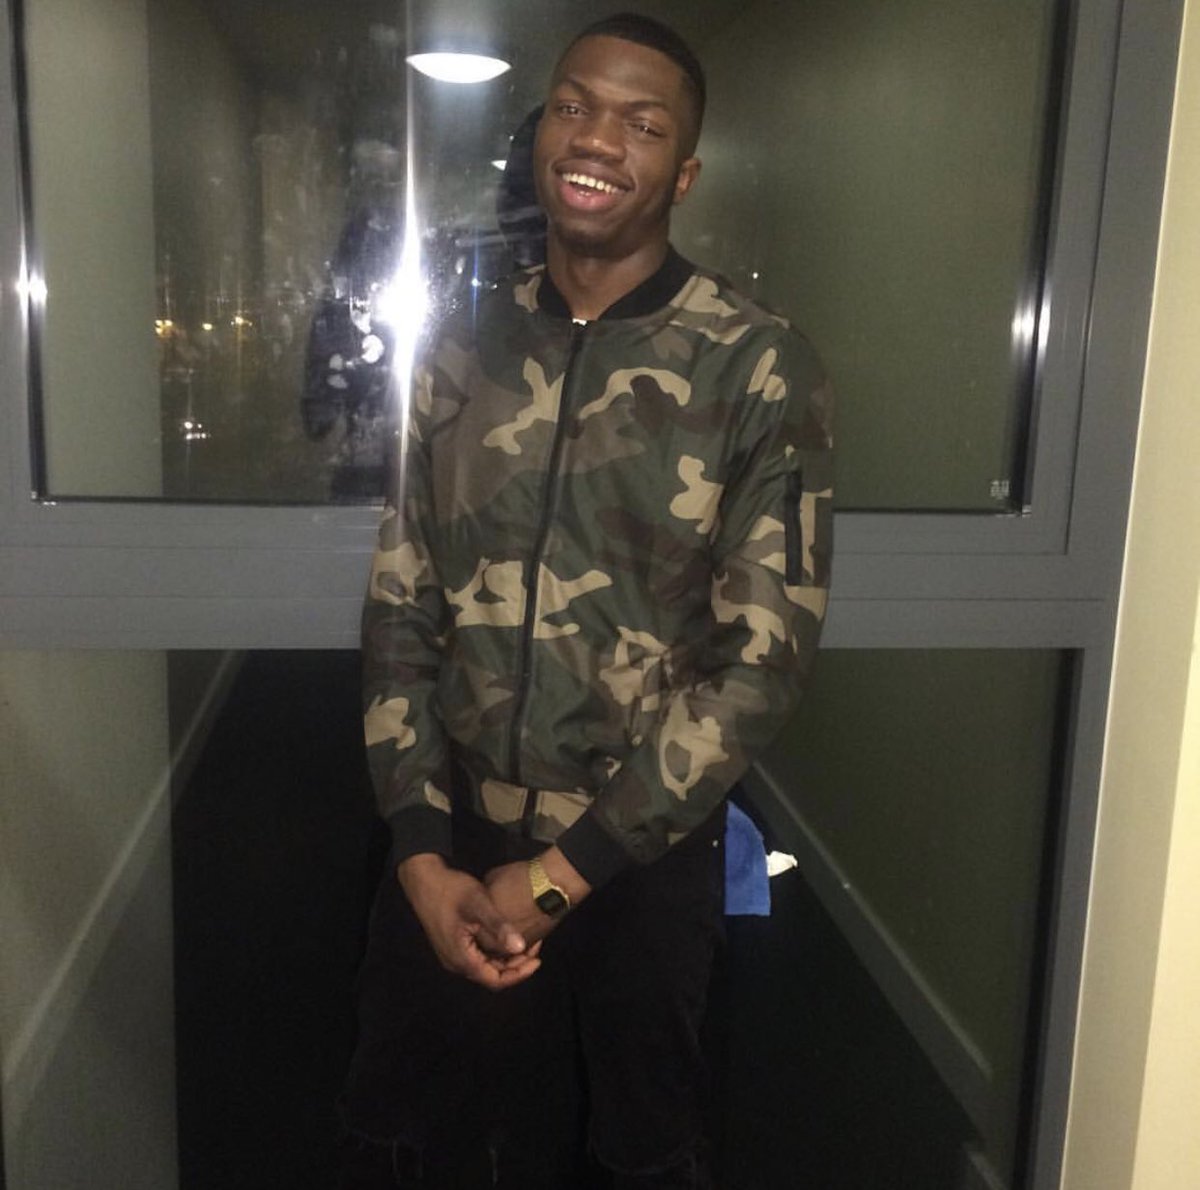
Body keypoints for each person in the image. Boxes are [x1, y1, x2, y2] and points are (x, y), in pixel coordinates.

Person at [341, 12, 833, 1188]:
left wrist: (564, 873)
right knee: (425, 1136)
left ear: (685, 171)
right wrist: (420, 852)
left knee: (640, 1150)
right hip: (454, 834)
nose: (599, 138)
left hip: (636, 857)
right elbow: (403, 600)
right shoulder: (460, 348)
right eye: (574, 107)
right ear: (540, 134)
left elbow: (758, 662)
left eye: (641, 123)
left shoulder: (754, 363)